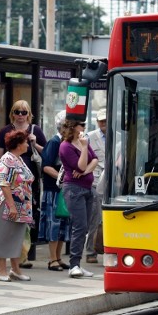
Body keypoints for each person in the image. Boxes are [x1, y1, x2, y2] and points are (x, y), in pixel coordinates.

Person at [0, 100, 46, 267]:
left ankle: (22, 257)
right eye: (17, 112)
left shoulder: (35, 130)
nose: (20, 115)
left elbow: (48, 152)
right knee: (8, 225)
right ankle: (10, 264)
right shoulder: (5, 133)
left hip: (28, 184)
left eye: (24, 112)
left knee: (24, 223)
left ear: (29, 114)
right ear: (12, 113)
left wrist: (34, 143)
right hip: (10, 184)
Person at [0, 130, 34, 282]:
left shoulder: (18, 159)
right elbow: (4, 183)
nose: (27, 144)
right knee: (3, 236)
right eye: (25, 142)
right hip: (8, 204)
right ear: (18, 144)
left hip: (20, 205)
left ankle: (15, 269)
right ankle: (1, 270)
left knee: (16, 237)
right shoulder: (7, 159)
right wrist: (12, 206)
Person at [59, 119, 98, 279]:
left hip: (88, 188)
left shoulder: (83, 142)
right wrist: (83, 148)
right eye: (81, 125)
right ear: (73, 127)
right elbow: (80, 165)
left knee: (85, 227)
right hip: (74, 189)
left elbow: (94, 160)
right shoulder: (66, 146)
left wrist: (85, 172)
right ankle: (74, 265)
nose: (84, 128)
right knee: (79, 226)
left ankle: (78, 264)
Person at [39, 110, 70, 272]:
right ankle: (52, 259)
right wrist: (61, 177)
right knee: (54, 224)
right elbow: (46, 166)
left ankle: (58, 257)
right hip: (54, 190)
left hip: (62, 190)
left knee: (63, 224)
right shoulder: (54, 142)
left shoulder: (65, 142)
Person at [85, 108, 106, 264]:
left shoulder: (118, 136)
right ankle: (90, 250)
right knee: (95, 217)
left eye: (105, 120)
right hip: (96, 180)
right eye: (101, 121)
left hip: (113, 182)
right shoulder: (90, 137)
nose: (103, 123)